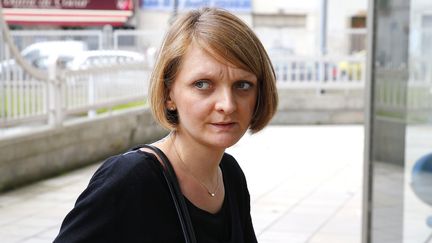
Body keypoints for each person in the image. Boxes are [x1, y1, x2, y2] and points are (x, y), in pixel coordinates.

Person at [54, 7, 278, 243]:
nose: (228, 104)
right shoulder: (131, 179)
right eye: (203, 84)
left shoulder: (229, 175)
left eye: (243, 85)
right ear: (169, 94)